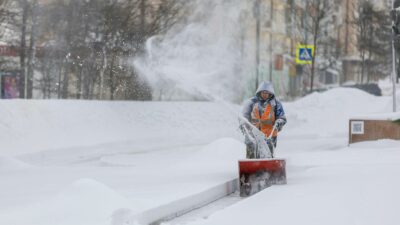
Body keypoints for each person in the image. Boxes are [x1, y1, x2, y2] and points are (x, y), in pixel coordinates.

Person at [241, 81, 287, 158]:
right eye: (263, 92)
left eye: (267, 93)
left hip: (269, 135)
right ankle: (250, 166)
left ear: (270, 93)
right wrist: (243, 124)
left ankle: (268, 167)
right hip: (253, 134)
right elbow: (244, 116)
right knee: (251, 152)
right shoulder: (251, 102)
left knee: (268, 154)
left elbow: (282, 117)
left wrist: (279, 122)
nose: (264, 95)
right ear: (259, 92)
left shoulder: (275, 103)